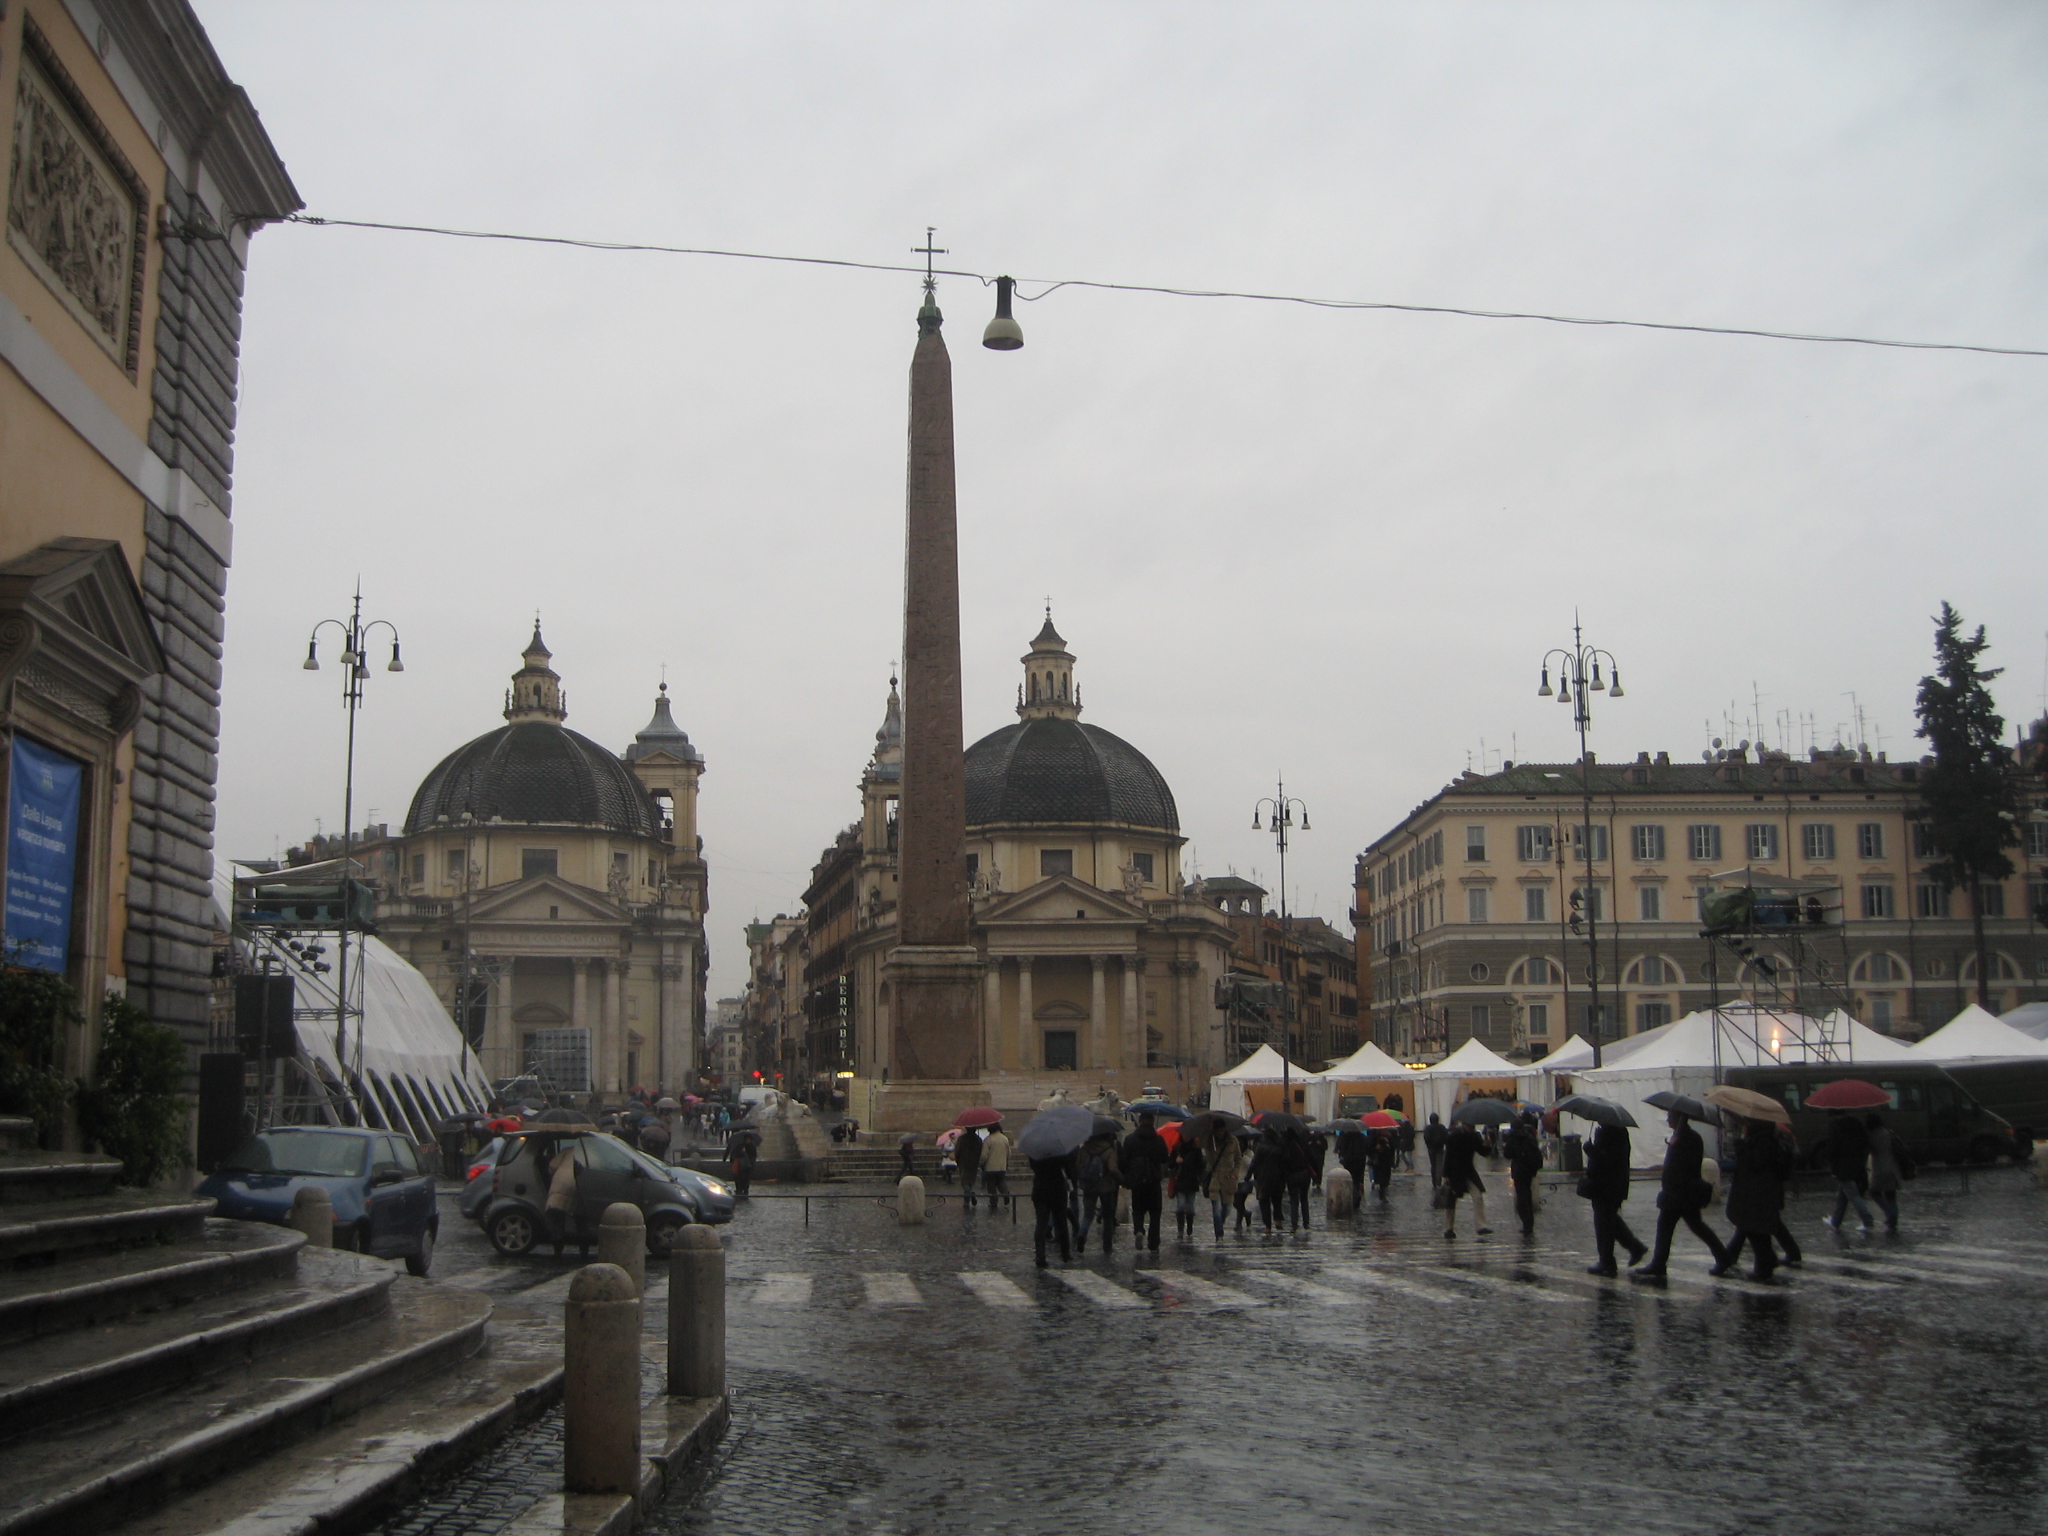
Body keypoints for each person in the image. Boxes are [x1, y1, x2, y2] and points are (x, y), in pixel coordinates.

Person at [1631, 1109, 1729, 1279]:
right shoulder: (1680, 1136)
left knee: (1670, 1226)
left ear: (1681, 1118)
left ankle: (1659, 1264)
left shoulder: (1688, 1138)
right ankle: (1723, 1256)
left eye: (1671, 1116)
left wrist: (1677, 1145)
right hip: (1678, 1192)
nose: (1668, 1119)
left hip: (1681, 1193)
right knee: (1693, 1226)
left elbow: (1685, 1166)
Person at [1717, 1115, 1793, 1280]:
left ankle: (1763, 1267)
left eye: (1747, 1122)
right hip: (1756, 1193)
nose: (1744, 1125)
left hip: (1758, 1193)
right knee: (1753, 1229)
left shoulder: (1764, 1141)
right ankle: (1760, 1262)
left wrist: (1741, 1146)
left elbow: (1756, 1163)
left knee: (1755, 1230)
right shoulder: (1761, 1138)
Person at [1583, 1120, 1646, 1274]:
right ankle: (1634, 1247)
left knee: (1603, 1223)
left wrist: (1590, 1150)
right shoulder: (1620, 1132)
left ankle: (1607, 1261)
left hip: (1605, 1185)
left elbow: (1606, 1160)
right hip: (1615, 1184)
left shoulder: (1606, 1133)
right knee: (1610, 1219)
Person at [1122, 1112, 1170, 1252]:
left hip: (1137, 1182)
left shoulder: (1130, 1139)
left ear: (1140, 1121)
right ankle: (1153, 1242)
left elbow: (1124, 1161)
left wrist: (1127, 1176)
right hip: (1153, 1180)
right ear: (1152, 1121)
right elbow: (1164, 1159)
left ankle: (1138, 1230)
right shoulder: (1158, 1139)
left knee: (1137, 1209)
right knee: (1155, 1213)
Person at [1821, 1111, 1875, 1232]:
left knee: (1853, 1195)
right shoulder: (1856, 1123)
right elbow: (1865, 1142)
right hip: (1857, 1163)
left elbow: (1832, 1146)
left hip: (1842, 1165)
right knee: (1843, 1195)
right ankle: (1836, 1221)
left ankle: (1868, 1221)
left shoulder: (1834, 1125)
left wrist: (1828, 1158)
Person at [1440, 1119, 1491, 1238]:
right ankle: (1448, 1228)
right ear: (1464, 1125)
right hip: (1455, 1173)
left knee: (1478, 1195)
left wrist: (1488, 1145)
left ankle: (1481, 1225)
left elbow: (1482, 1152)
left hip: (1469, 1172)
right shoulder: (1454, 1136)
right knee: (1451, 1201)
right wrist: (1446, 1175)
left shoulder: (1475, 1136)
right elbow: (1448, 1156)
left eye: (1473, 1126)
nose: (1471, 1128)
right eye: (1469, 1126)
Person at [1074, 1132, 1121, 1251]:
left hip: (1089, 1186)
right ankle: (1107, 1245)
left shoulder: (1085, 1149)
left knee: (1087, 1215)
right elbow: (1113, 1169)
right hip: (1106, 1187)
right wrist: (1122, 1178)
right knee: (1108, 1217)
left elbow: (1078, 1166)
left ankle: (1081, 1234)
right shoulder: (1109, 1150)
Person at [1866, 1112, 1910, 1231]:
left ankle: (1890, 1213)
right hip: (1893, 1168)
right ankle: (1893, 1219)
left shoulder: (1870, 1135)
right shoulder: (1889, 1132)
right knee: (1891, 1195)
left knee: (1874, 1192)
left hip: (1879, 1169)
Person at [1029, 1152, 1074, 1267]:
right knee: (1061, 1222)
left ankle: (1040, 1255)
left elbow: (1033, 1166)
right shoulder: (1059, 1151)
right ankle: (1065, 1253)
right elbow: (1068, 1169)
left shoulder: (1035, 1150)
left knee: (1041, 1224)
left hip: (1040, 1189)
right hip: (1057, 1189)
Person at [1503, 1112, 1544, 1237]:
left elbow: (1507, 1154)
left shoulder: (1512, 1138)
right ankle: (1529, 1223)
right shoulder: (1529, 1137)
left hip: (1519, 1170)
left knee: (1521, 1198)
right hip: (1529, 1170)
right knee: (1527, 1194)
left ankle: (1526, 1223)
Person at [1202, 1124, 1245, 1239]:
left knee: (1227, 1208)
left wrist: (1235, 1172)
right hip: (1215, 1178)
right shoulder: (1211, 1142)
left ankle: (1220, 1224)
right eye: (1218, 1130)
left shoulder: (1233, 1141)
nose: (1220, 1132)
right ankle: (1219, 1233)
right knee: (1216, 1208)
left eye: (1222, 1129)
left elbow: (1238, 1159)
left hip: (1228, 1179)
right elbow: (1208, 1160)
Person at [544, 1138, 581, 1254]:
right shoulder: (590, 1153)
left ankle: (557, 1251)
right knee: (580, 1220)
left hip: (559, 1186)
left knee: (558, 1220)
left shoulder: (567, 1150)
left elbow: (552, 1166)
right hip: (578, 1187)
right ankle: (583, 1250)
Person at [1248, 1126, 1288, 1234]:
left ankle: (1268, 1226)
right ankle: (1278, 1221)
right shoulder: (1280, 1147)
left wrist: (1248, 1176)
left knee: (1264, 1202)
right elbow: (1284, 1163)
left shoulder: (1261, 1147)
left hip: (1263, 1178)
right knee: (1277, 1201)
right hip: (1278, 1178)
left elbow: (1254, 1163)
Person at [1169, 1129, 1207, 1239]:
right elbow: (1170, 1165)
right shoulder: (1176, 1149)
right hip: (1180, 1181)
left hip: (1192, 1180)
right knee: (1180, 1206)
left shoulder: (1196, 1149)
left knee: (1190, 1207)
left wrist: (1201, 1178)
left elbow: (1201, 1165)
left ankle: (1189, 1226)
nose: (1186, 1137)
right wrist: (1176, 1161)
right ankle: (1180, 1229)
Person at [1283, 1126, 1314, 1231]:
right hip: (1304, 1174)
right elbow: (1311, 1158)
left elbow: (1284, 1161)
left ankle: (1294, 1224)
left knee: (1294, 1201)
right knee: (1304, 1199)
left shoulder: (1286, 1146)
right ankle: (1306, 1223)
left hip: (1292, 1175)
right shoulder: (1303, 1144)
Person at [981, 1125, 1012, 1207]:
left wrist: (982, 1163)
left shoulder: (988, 1139)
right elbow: (1009, 1153)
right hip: (1002, 1166)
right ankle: (1005, 1194)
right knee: (1001, 1182)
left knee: (991, 1185)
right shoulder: (1004, 1138)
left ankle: (993, 1201)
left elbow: (984, 1155)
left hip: (990, 1167)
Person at [955, 1125, 983, 1210]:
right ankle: (966, 1201)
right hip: (974, 1163)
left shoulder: (962, 1139)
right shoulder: (978, 1139)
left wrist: (958, 1161)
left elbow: (957, 1151)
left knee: (964, 1182)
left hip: (963, 1162)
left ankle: (970, 1195)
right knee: (970, 1182)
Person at [1335, 1126, 1369, 1197]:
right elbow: (1367, 1148)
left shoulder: (1345, 1136)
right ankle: (1357, 1190)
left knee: (1350, 1176)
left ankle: (1352, 1192)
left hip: (1348, 1160)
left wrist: (1340, 1154)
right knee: (1357, 1178)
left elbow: (1340, 1146)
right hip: (1360, 1160)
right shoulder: (1363, 1137)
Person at [1366, 1128, 1397, 1202]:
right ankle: (1382, 1194)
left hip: (1387, 1161)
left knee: (1386, 1179)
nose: (1385, 1131)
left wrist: (1387, 1145)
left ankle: (1383, 1192)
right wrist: (1376, 1148)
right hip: (1379, 1162)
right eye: (1383, 1130)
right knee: (1381, 1178)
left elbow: (1392, 1149)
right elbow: (1369, 1150)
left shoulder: (1389, 1137)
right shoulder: (1374, 1138)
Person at [729, 1132, 758, 1200]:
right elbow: (735, 1154)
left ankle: (745, 1191)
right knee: (739, 1178)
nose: (748, 1141)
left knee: (746, 1179)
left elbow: (754, 1155)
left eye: (749, 1139)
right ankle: (739, 1190)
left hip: (748, 1166)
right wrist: (742, 1152)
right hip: (741, 1165)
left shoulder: (752, 1146)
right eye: (747, 1139)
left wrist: (751, 1162)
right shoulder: (740, 1146)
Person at [1423, 1114, 1449, 1187]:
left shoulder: (1428, 1128)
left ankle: (1434, 1181)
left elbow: (1426, 1138)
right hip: (1440, 1148)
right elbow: (1447, 1137)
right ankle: (1438, 1181)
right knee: (1439, 1165)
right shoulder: (1442, 1127)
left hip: (1431, 1149)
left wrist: (1429, 1145)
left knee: (1433, 1165)